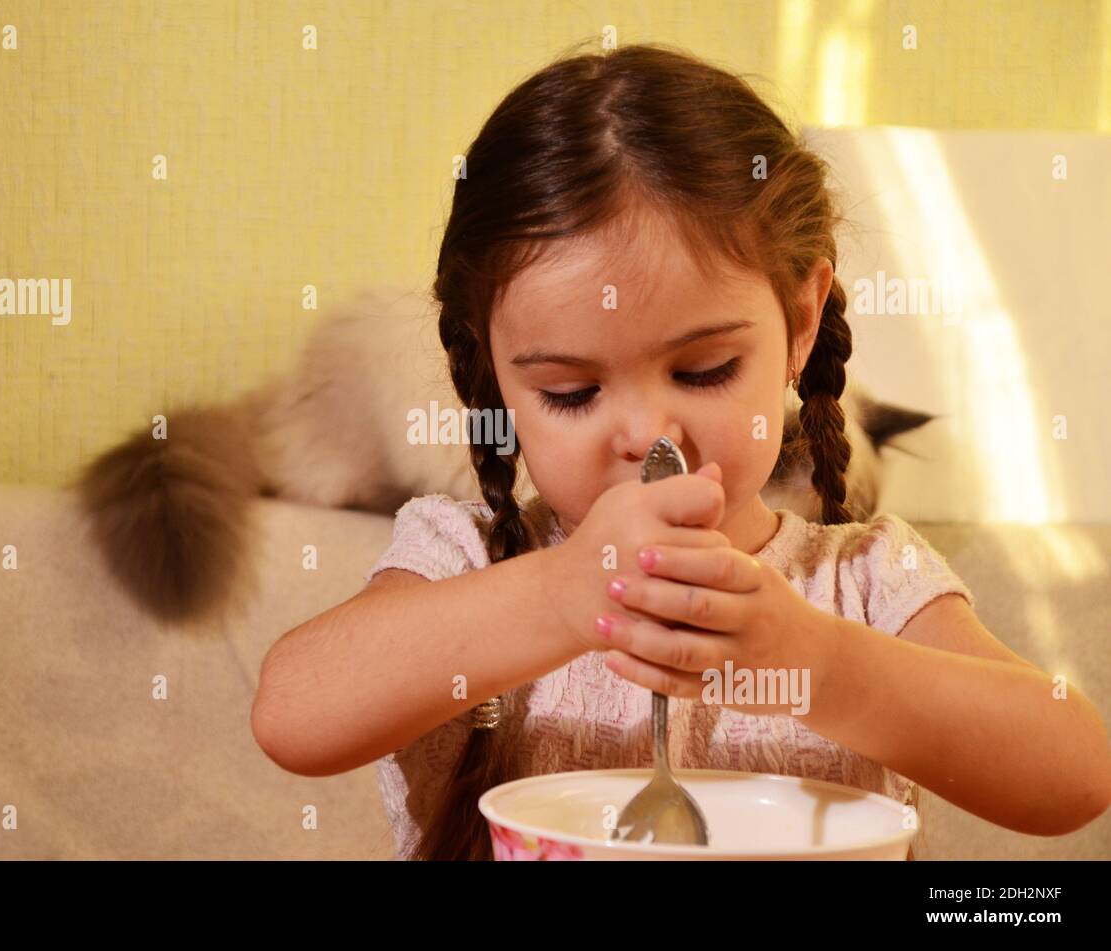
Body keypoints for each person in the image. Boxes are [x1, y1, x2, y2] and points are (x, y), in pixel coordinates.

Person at [252, 42, 1111, 861]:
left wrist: (807, 657)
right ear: (491, 368)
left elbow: (1074, 771)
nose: (649, 436)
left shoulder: (865, 581)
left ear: (801, 323)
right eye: (571, 392)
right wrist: (558, 594)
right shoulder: (466, 557)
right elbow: (292, 712)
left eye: (704, 370)